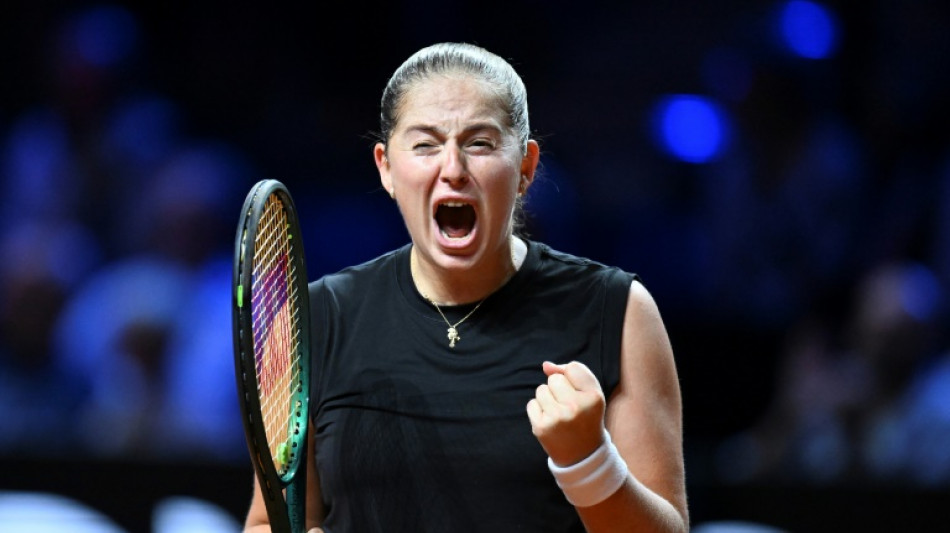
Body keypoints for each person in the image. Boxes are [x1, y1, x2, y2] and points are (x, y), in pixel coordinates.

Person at [244, 42, 688, 532]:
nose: (453, 169)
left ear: (526, 168)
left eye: (480, 143)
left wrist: (589, 462)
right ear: (386, 168)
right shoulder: (314, 319)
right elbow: (267, 522)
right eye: (425, 145)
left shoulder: (619, 312)